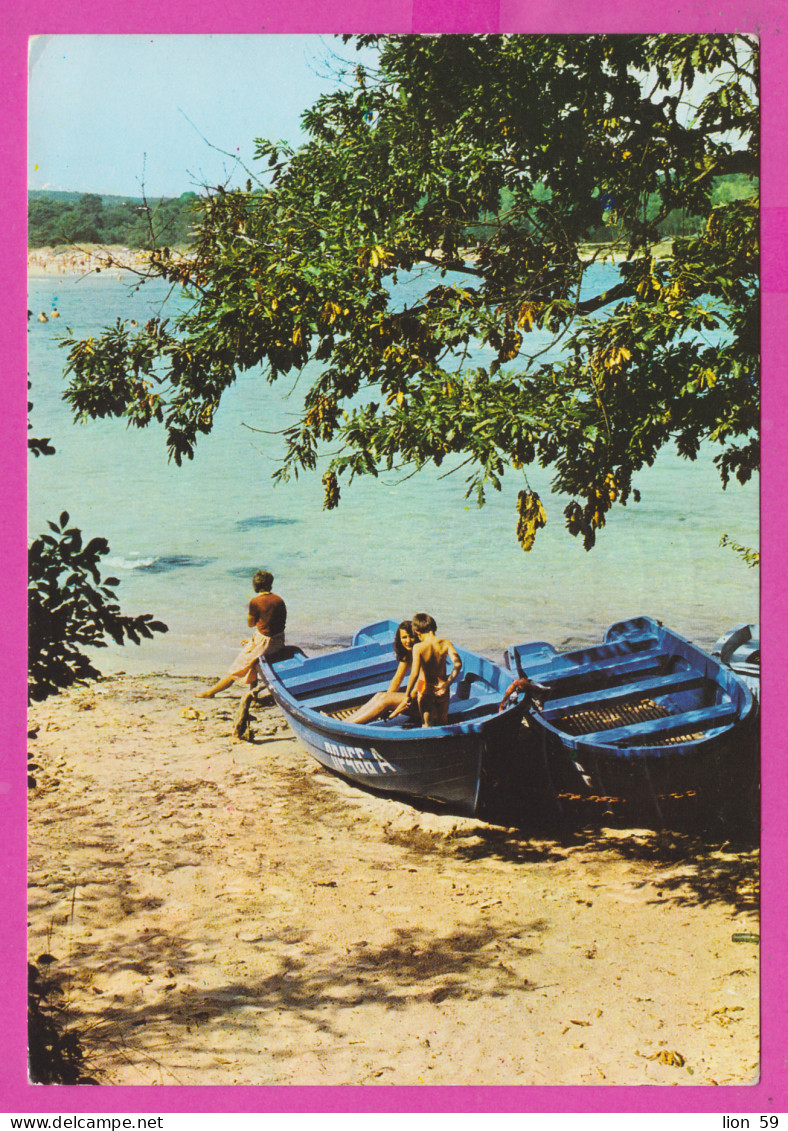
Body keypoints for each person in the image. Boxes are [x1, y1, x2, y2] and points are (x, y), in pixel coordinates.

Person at [197, 569, 286, 698]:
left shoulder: (255, 602)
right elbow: (271, 626)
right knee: (251, 661)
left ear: (255, 586)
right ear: (270, 584)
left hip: (264, 643)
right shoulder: (279, 599)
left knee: (237, 667)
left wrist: (256, 635)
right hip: (277, 640)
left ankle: (210, 692)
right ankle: (252, 695)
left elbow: (250, 624)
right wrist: (254, 639)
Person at [390, 613, 462, 727]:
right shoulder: (446, 643)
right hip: (442, 690)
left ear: (417, 632)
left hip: (426, 691)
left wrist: (407, 695)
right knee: (443, 722)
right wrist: (447, 683)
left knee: (426, 724)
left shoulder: (418, 647)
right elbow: (458, 664)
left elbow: (414, 674)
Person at [345, 621, 416, 724]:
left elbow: (423, 684)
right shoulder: (407, 655)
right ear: (400, 639)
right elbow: (397, 680)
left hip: (424, 704)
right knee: (381, 696)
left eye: (411, 637)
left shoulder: (422, 655)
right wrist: (389, 700)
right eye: (404, 637)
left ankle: (348, 725)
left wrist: (395, 703)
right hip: (414, 699)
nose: (408, 641)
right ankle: (345, 722)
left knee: (385, 699)